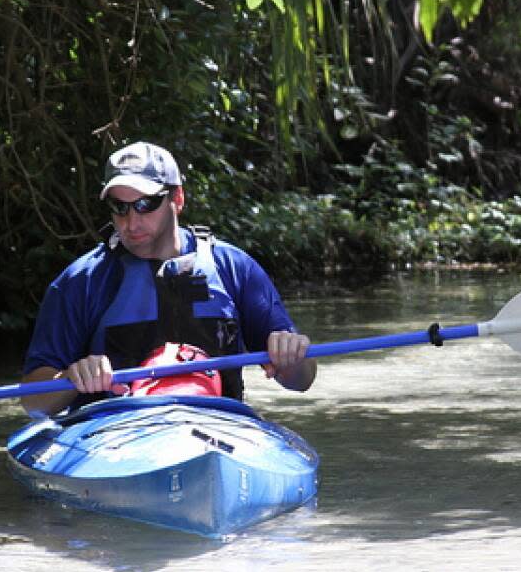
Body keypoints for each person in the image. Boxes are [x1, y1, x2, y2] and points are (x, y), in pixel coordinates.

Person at [20, 141, 314, 415]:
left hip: (216, 429)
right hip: (112, 440)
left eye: (146, 204)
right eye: (119, 207)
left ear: (178, 198)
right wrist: (71, 378)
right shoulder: (80, 282)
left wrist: (291, 358)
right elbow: (33, 400)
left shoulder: (234, 268)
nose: (131, 222)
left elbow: (302, 379)